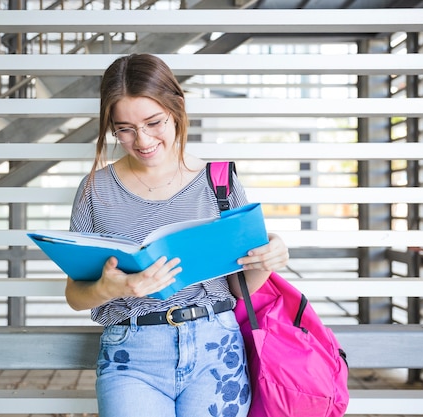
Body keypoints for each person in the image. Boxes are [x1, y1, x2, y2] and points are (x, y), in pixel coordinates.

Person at [65, 53, 289, 417]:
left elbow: (240, 287)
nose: (142, 140)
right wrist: (115, 287)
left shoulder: (219, 182)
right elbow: (76, 295)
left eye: (154, 122)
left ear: (177, 108)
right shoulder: (95, 189)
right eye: (124, 128)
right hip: (131, 355)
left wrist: (269, 258)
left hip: (217, 348)